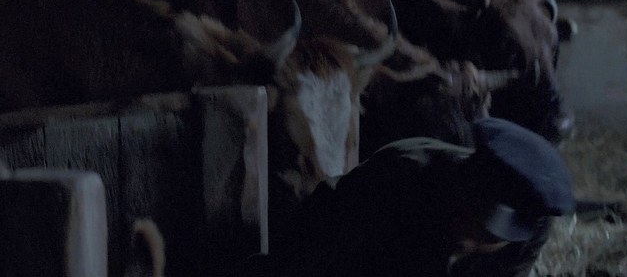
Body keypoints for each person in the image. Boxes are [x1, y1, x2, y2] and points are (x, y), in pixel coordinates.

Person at [237, 117, 575, 277]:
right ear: (463, 183)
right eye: (470, 213)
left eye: (488, 233)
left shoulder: (530, 228)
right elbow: (314, 251)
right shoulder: (400, 179)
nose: (469, 236)